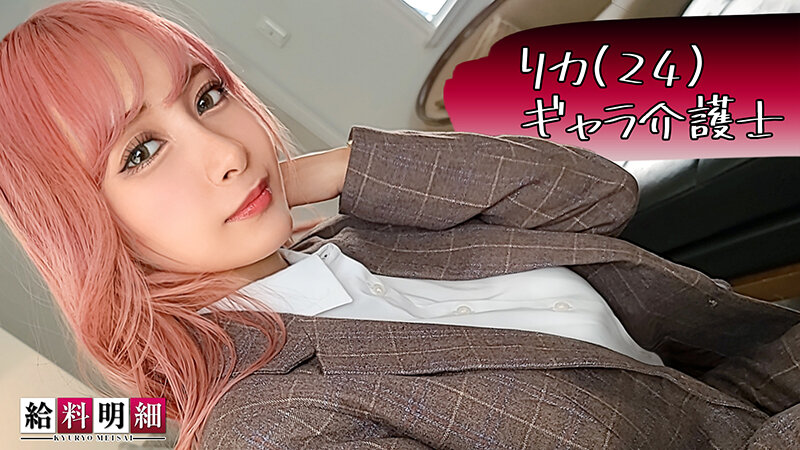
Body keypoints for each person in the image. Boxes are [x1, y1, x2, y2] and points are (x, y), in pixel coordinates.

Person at [0, 1, 797, 449]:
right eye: (141, 151)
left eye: (207, 97)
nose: (225, 154)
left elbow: (598, 196)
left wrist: (337, 170)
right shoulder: (272, 428)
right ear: (82, 226)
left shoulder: (368, 233)